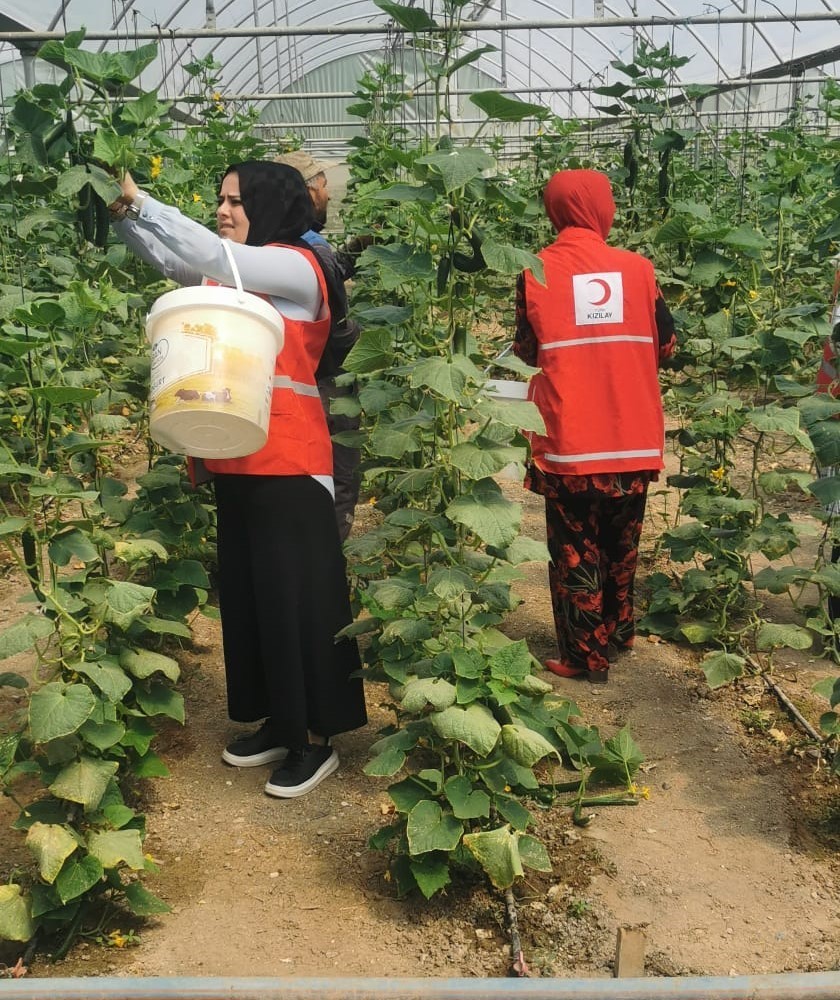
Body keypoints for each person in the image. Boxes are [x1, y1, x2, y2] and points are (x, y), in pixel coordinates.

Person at [109, 161, 367, 796]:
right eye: (220, 199)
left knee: (295, 603)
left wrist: (145, 204)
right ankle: (280, 722)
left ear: (272, 205)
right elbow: (180, 268)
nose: (223, 210)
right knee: (254, 601)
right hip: (237, 457)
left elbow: (211, 254)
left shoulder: (297, 267)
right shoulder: (237, 277)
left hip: (291, 461)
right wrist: (124, 221)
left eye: (236, 201)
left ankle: (315, 739)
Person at [513, 169, 676, 683]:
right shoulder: (640, 269)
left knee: (574, 546)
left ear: (553, 209)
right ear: (603, 209)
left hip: (571, 438)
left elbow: (525, 350)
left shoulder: (533, 271)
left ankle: (586, 655)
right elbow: (667, 345)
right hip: (630, 433)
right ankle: (619, 630)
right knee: (621, 540)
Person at [274, 149, 362, 542]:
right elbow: (331, 317)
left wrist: (358, 249)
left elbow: (331, 271)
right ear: (307, 193)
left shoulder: (280, 244)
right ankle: (327, 553)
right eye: (324, 187)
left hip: (295, 381)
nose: (328, 196)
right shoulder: (302, 250)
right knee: (337, 467)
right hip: (325, 379)